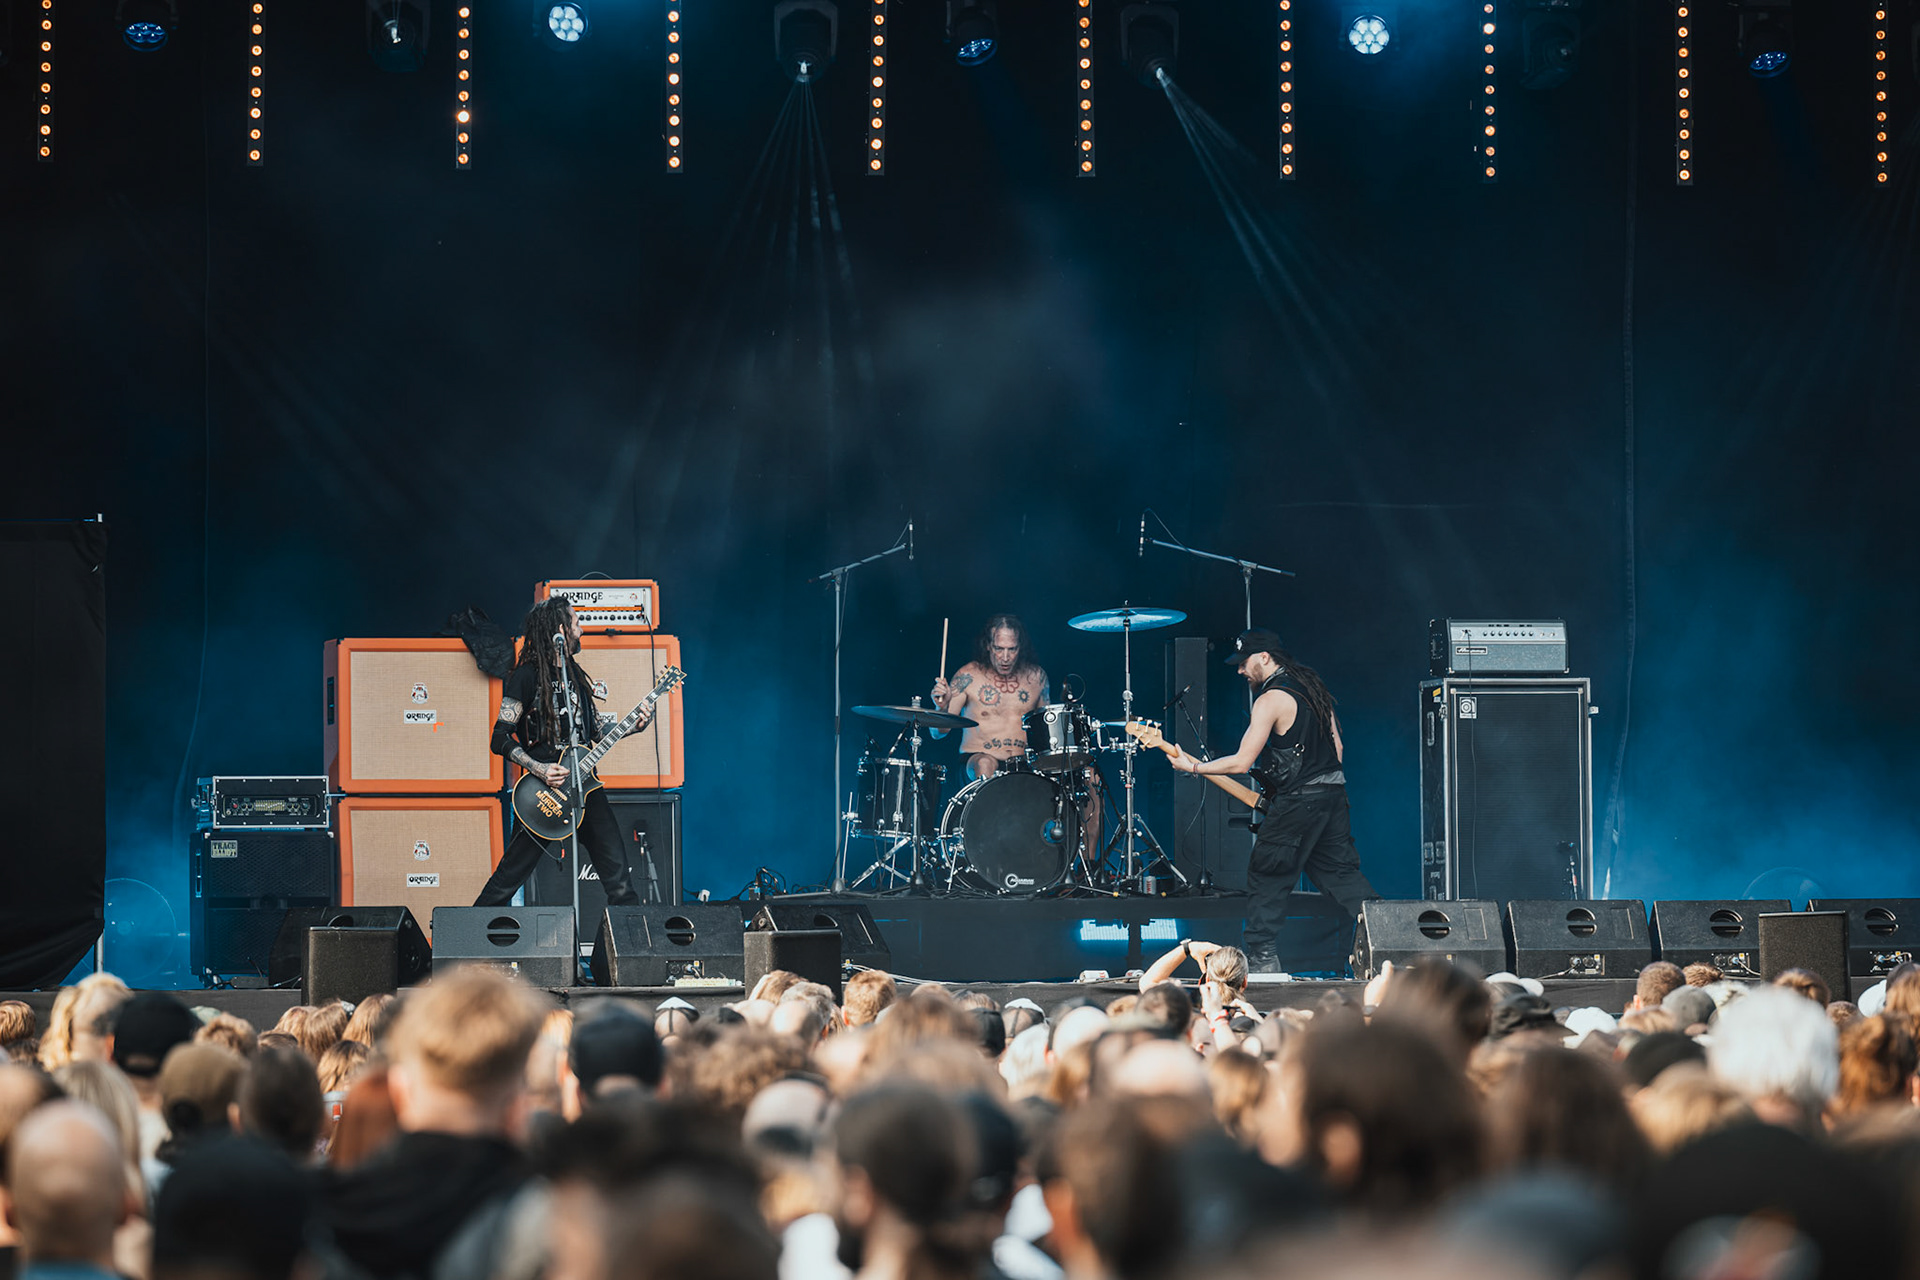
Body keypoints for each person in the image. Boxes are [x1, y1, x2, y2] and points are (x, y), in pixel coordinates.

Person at [1167, 630, 1377, 973]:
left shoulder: (1270, 699)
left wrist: (1193, 766)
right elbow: (1338, 749)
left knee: (1267, 875)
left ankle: (1263, 961)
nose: (1239, 671)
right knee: (1341, 875)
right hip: (1333, 797)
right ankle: (1389, 940)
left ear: (1265, 657)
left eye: (1244, 663)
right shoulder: (1314, 688)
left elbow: (1241, 762)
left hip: (1299, 803)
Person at [475, 597, 644, 908]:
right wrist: (539, 769)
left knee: (620, 881)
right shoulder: (525, 677)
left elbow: (592, 734)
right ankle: (466, 944)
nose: (581, 631)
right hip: (542, 793)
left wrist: (630, 727)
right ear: (560, 630)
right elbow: (499, 738)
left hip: (586, 788)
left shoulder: (576, 676)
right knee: (509, 878)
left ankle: (619, 956)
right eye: (576, 623)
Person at [929, 614, 1050, 781]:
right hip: (977, 761)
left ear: (1020, 647)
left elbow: (1047, 732)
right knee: (985, 763)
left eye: (1012, 649)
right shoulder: (968, 676)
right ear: (988, 646)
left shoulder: (1036, 677)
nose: (1005, 657)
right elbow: (938, 733)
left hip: (1022, 765)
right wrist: (941, 707)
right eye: (999, 649)